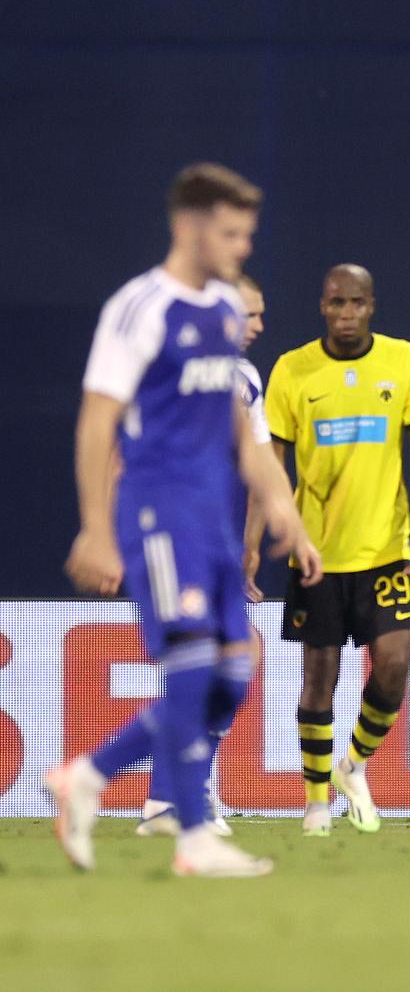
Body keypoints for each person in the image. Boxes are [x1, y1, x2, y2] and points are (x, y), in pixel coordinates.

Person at [49, 163, 321, 877]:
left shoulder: (224, 315)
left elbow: (242, 429)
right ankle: (191, 834)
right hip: (158, 513)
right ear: (191, 227)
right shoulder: (139, 309)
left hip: (213, 524)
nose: (241, 247)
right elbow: (95, 422)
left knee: (232, 674)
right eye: (230, 233)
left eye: (247, 235)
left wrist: (284, 507)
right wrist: (95, 526)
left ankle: (89, 774)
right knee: (193, 668)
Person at [264, 264, 410, 836]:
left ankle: (354, 766)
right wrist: (281, 529)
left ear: (372, 305)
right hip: (317, 554)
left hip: (385, 549)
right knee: (320, 677)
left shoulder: (403, 360)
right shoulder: (293, 370)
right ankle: (317, 801)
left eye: (357, 303)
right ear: (323, 306)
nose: (346, 313)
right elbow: (273, 462)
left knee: (393, 665)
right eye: (337, 303)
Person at [137, 273, 273, 838]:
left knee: (238, 657)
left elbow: (260, 463)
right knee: (204, 662)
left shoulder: (243, 377)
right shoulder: (171, 366)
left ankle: (174, 795)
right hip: (171, 529)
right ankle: (165, 797)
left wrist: (249, 545)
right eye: (251, 313)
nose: (259, 326)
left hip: (213, 535)